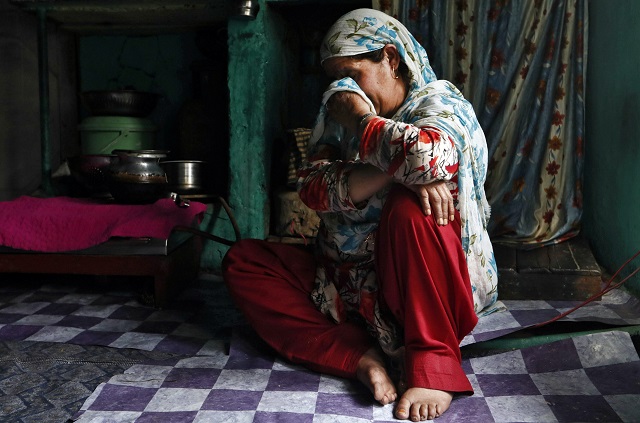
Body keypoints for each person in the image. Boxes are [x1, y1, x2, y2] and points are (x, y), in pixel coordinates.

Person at [223, 8, 498, 421]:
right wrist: (395, 167)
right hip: (345, 284)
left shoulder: (441, 104)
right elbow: (312, 189)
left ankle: (432, 362)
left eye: (352, 73)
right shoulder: (335, 113)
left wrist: (363, 123)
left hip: (422, 287)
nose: (343, 88)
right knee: (246, 261)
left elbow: (427, 156)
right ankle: (359, 356)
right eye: (334, 78)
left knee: (412, 208)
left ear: (390, 58)